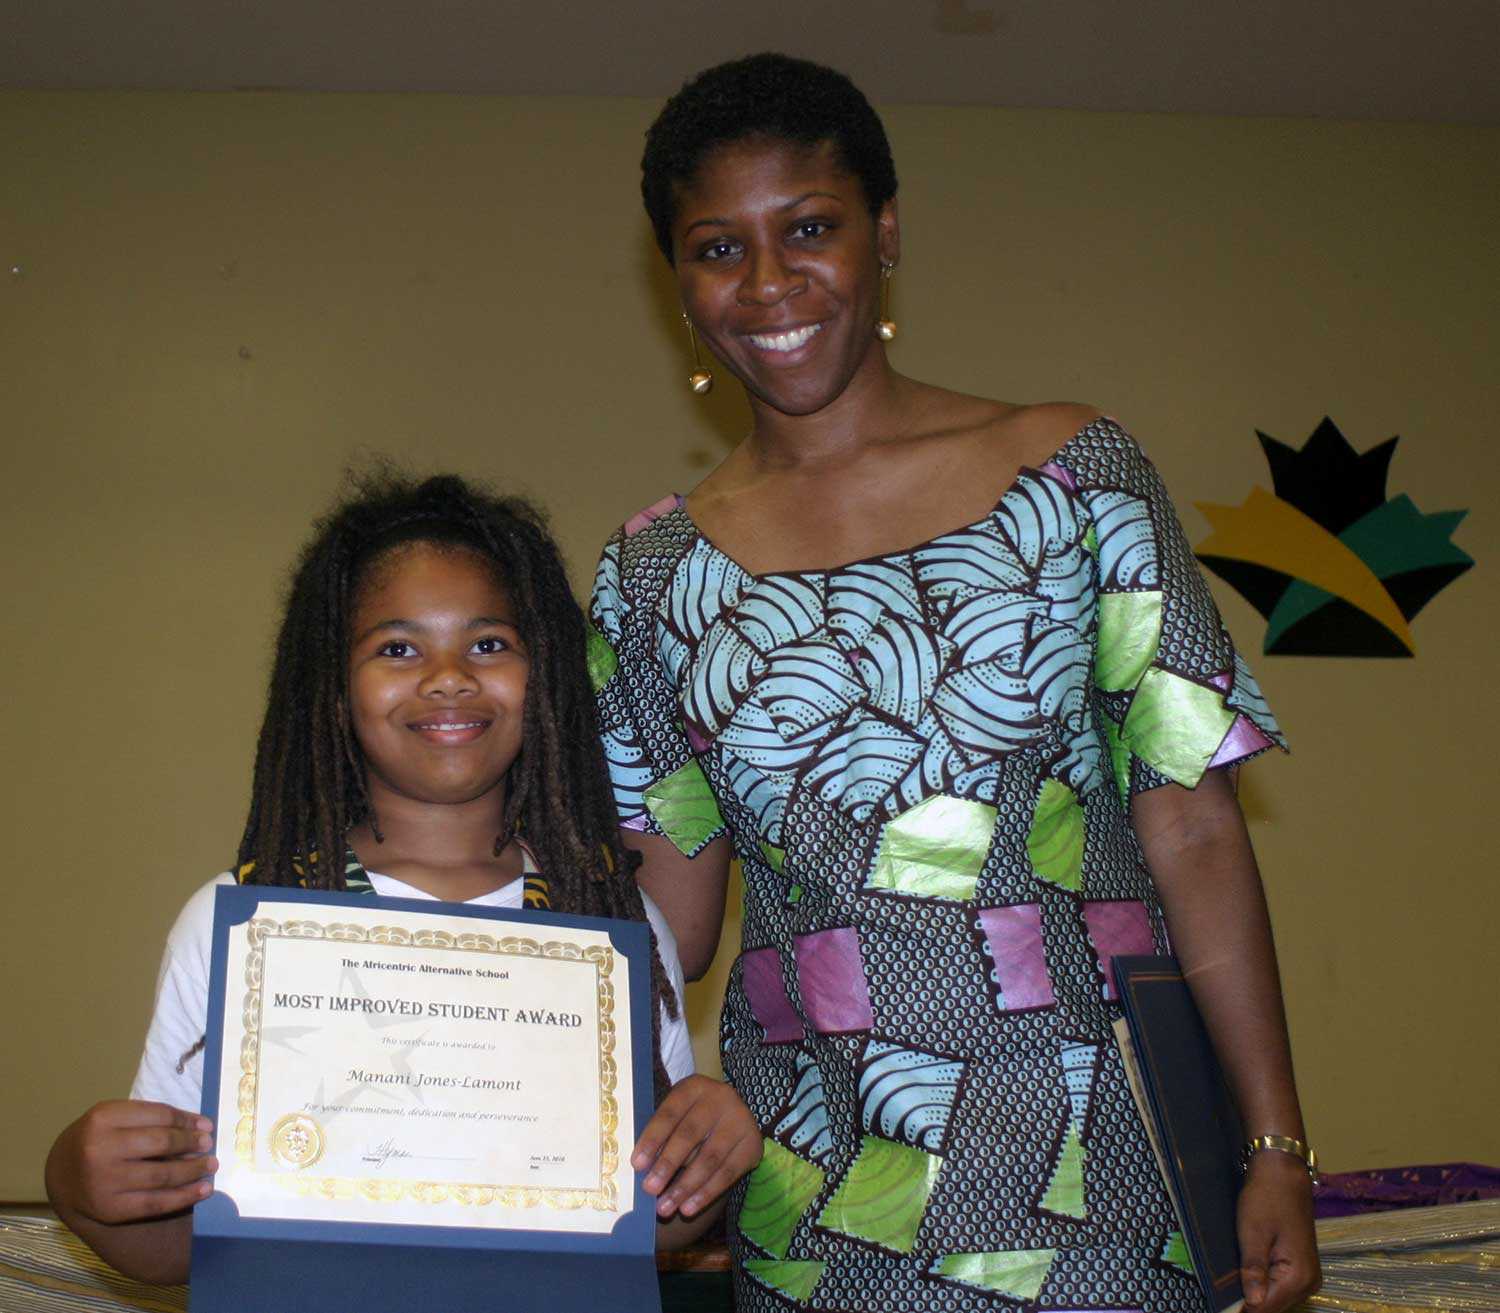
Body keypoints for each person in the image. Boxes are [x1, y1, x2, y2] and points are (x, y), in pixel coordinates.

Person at [589, 52, 1320, 1313]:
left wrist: (1273, 1141)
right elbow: (668, 920)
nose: (767, 283)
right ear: (678, 283)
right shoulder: (650, 576)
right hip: (817, 1194)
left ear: (884, 232)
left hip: (1110, 1169)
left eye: (808, 228)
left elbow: (1194, 826)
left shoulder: (1073, 477)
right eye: (717, 248)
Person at [45, 470, 761, 1285]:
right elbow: (179, 1245)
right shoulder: (241, 923)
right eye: (397, 648)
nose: (448, 675)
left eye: (489, 643)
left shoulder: (612, 923)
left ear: (545, 677)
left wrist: (710, 1154)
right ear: (334, 688)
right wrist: (76, 1183)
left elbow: (651, 1226)